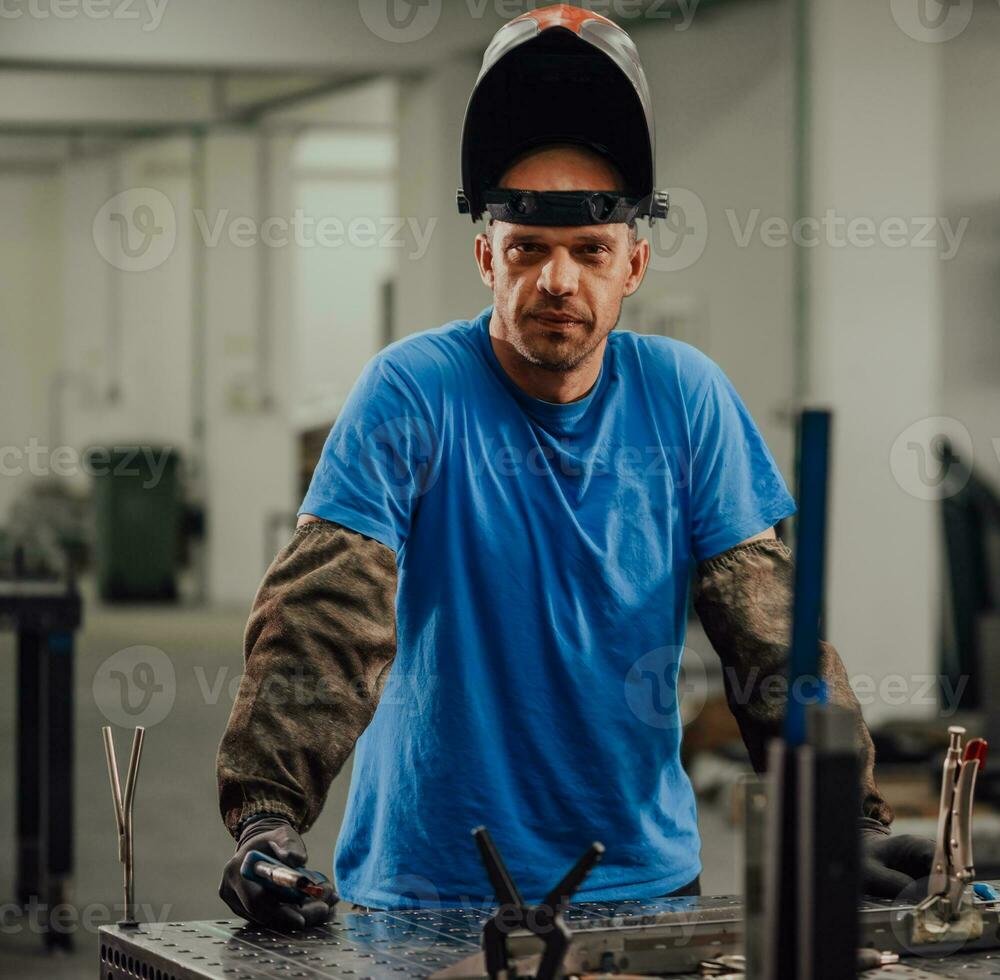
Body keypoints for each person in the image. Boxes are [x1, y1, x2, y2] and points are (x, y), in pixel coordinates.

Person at [215, 5, 933, 929]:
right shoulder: (410, 393)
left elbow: (770, 640)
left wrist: (846, 818)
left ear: (633, 263)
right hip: (425, 892)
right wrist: (266, 818)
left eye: (590, 251)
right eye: (529, 250)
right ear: (486, 256)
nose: (558, 280)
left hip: (639, 888)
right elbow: (326, 615)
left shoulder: (687, 399)